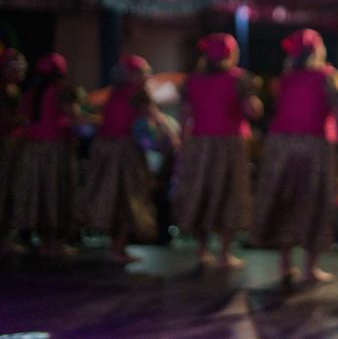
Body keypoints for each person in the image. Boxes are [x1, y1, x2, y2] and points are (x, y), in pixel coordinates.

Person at [252, 29, 338, 285]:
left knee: (286, 200)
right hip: (314, 146)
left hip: (280, 146)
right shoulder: (329, 77)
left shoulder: (285, 79)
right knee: (315, 201)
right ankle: (310, 267)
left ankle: (285, 265)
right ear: (318, 50)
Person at [174, 33, 263, 268]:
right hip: (230, 145)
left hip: (200, 144)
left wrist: (183, 144)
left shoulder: (193, 81)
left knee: (201, 193)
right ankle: (224, 253)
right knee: (230, 194)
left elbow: (184, 116)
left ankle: (202, 251)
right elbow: (253, 111)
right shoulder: (238, 79)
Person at [83, 55, 160, 263]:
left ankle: (116, 247)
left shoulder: (115, 93)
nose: (147, 77)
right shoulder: (139, 95)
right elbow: (150, 121)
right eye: (143, 73)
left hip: (105, 148)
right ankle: (119, 248)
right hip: (125, 151)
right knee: (127, 199)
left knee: (112, 197)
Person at [14, 53, 79, 256]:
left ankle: (44, 241)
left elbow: (23, 118)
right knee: (54, 192)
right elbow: (73, 115)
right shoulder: (61, 91)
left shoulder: (32, 92)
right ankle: (53, 243)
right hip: (54, 148)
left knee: (40, 194)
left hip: (33, 149)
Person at [0, 48, 27, 254]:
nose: (20, 71)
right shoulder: (4, 91)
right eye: (16, 67)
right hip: (5, 144)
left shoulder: (14, 90)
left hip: (13, 144)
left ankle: (6, 238)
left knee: (11, 191)